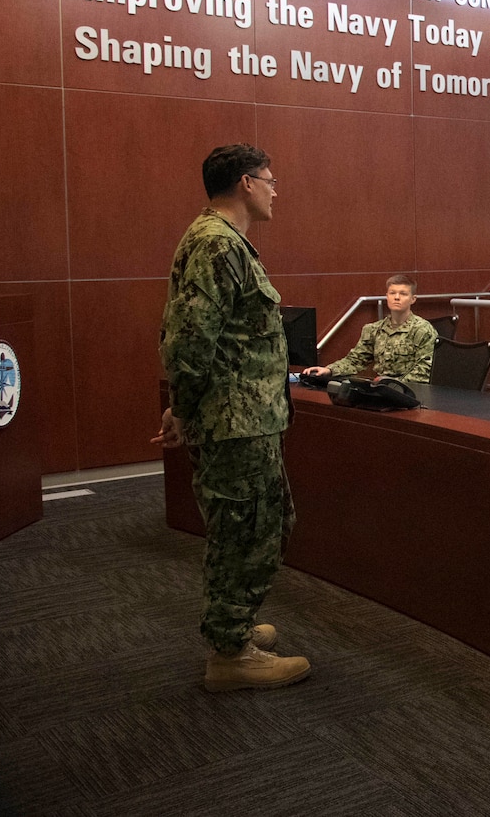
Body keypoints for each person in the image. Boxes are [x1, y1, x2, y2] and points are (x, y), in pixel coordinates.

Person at [152, 143, 311, 692]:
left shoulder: (226, 244)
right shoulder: (217, 246)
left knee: (263, 524)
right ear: (245, 183)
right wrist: (185, 408)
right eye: (270, 178)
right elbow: (190, 343)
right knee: (245, 531)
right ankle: (229, 653)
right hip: (234, 422)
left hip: (246, 419)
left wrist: (181, 408)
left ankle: (234, 626)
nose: (274, 188)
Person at [302, 274, 436, 383]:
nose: (396, 297)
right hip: (381, 388)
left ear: (413, 299)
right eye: (392, 293)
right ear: (386, 296)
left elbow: (425, 371)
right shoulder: (373, 329)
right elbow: (356, 360)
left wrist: (393, 385)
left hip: (410, 391)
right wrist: (329, 370)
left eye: (403, 294)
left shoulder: (422, 330)